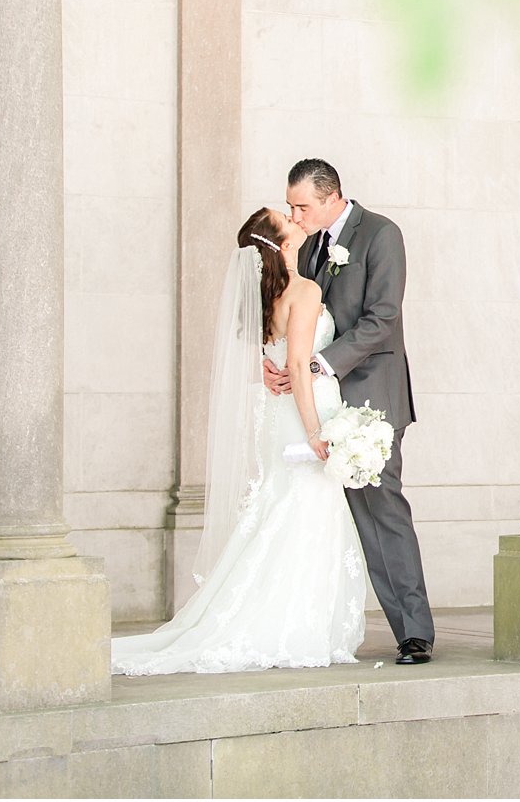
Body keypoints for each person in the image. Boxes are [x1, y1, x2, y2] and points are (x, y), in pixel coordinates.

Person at [112, 208, 366, 675]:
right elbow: (294, 366)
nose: (293, 217)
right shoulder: (304, 291)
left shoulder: (268, 297)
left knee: (282, 503)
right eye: (284, 217)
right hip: (301, 414)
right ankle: (292, 626)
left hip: (275, 417)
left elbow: (263, 356)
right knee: (305, 509)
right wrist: (314, 431)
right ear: (281, 241)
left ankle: (278, 616)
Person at [265, 158, 435, 665]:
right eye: (291, 205)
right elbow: (293, 316)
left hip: (372, 397)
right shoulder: (309, 244)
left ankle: (414, 631)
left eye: (303, 206)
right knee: (330, 514)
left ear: (333, 197)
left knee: (381, 509)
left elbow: (383, 318)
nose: (294, 215)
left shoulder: (381, 234)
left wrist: (318, 364)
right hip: (320, 399)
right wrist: (279, 365)